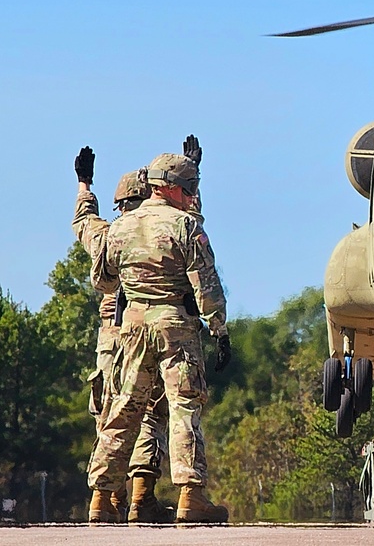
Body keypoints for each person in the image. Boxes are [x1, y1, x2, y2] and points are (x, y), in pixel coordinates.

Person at [86, 151, 231, 524]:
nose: (192, 196)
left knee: (123, 410)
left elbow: (102, 280)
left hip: (131, 328)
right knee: (184, 407)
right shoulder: (185, 226)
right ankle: (190, 496)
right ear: (169, 187)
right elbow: (207, 286)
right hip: (175, 327)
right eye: (189, 188)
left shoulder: (120, 227)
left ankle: (101, 500)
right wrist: (219, 330)